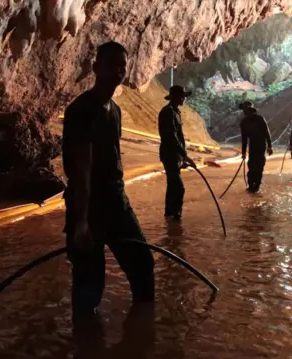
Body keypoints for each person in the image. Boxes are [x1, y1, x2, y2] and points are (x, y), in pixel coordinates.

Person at [62, 41, 155, 319]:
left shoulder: (114, 110)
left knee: (142, 263)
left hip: (116, 200)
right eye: (111, 64)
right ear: (95, 68)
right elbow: (82, 169)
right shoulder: (81, 110)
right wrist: (80, 224)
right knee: (89, 284)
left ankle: (143, 335)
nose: (118, 70)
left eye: (122, 65)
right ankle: (87, 342)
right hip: (89, 204)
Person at [158, 85, 196, 221]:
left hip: (175, 155)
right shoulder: (167, 112)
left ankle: (169, 214)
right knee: (179, 188)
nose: (184, 98)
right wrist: (185, 156)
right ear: (173, 97)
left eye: (184, 96)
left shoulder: (176, 112)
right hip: (169, 155)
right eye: (181, 96)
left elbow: (179, 137)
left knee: (172, 185)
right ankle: (176, 217)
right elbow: (171, 137)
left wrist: (182, 158)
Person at [240, 101, 273, 193]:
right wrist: (243, 152)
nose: (245, 112)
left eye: (246, 110)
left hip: (261, 145)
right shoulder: (244, 122)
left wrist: (270, 146)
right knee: (251, 165)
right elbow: (244, 138)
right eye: (244, 110)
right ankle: (250, 185)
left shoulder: (260, 119)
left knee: (259, 166)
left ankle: (257, 185)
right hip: (252, 146)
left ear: (251, 110)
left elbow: (267, 132)